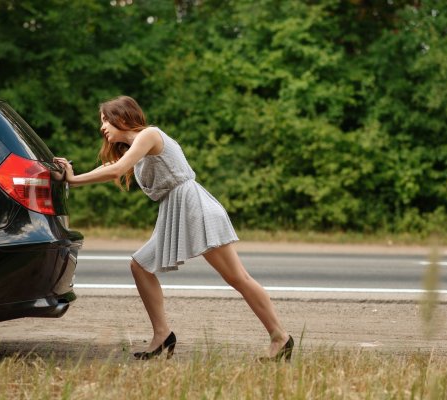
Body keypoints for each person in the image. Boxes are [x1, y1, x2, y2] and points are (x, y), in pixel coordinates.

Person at [54, 96, 293, 361]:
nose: (102, 128)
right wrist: (70, 178)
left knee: (238, 278)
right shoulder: (135, 148)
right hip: (176, 211)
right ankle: (162, 335)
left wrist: (73, 180)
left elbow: (117, 170)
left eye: (105, 120)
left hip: (195, 209)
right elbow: (113, 166)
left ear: (121, 117)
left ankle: (280, 337)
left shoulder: (149, 135)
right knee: (140, 266)